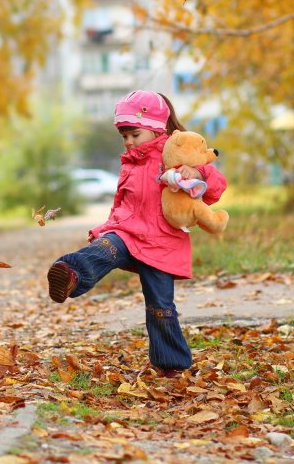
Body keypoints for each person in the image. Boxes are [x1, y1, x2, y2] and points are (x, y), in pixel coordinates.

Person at [46, 90, 227, 377]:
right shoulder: (130, 163)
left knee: (160, 306)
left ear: (155, 128)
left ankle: (171, 364)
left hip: (162, 242)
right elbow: (121, 204)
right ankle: (71, 274)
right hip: (128, 233)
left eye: (134, 134)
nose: (129, 141)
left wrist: (200, 174)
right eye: (124, 136)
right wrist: (104, 229)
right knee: (106, 247)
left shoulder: (174, 154)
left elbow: (216, 187)